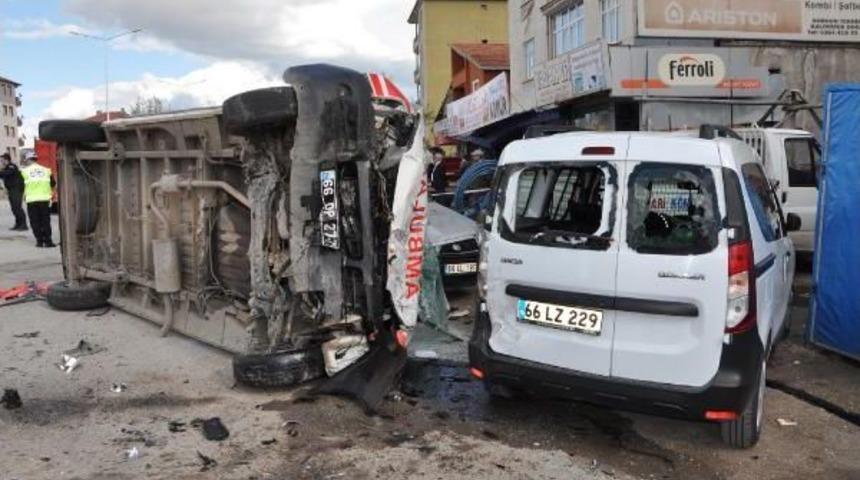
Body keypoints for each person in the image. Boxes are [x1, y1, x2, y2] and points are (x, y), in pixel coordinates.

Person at [20, 153, 55, 247]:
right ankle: (48, 241)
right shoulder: (46, 170)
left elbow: (20, 186)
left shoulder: (24, 171)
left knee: (35, 221)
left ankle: (39, 242)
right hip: (44, 199)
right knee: (45, 221)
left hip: (31, 200)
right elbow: (53, 184)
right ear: (36, 159)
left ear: (28, 160)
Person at [0, 153, 28, 231]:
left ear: (7, 160)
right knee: (14, 208)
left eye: (2, 160)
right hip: (11, 189)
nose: (1, 162)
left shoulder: (12, 166)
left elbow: (7, 173)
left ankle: (23, 225)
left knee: (17, 207)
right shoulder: (6, 168)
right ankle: (18, 224)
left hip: (16, 189)